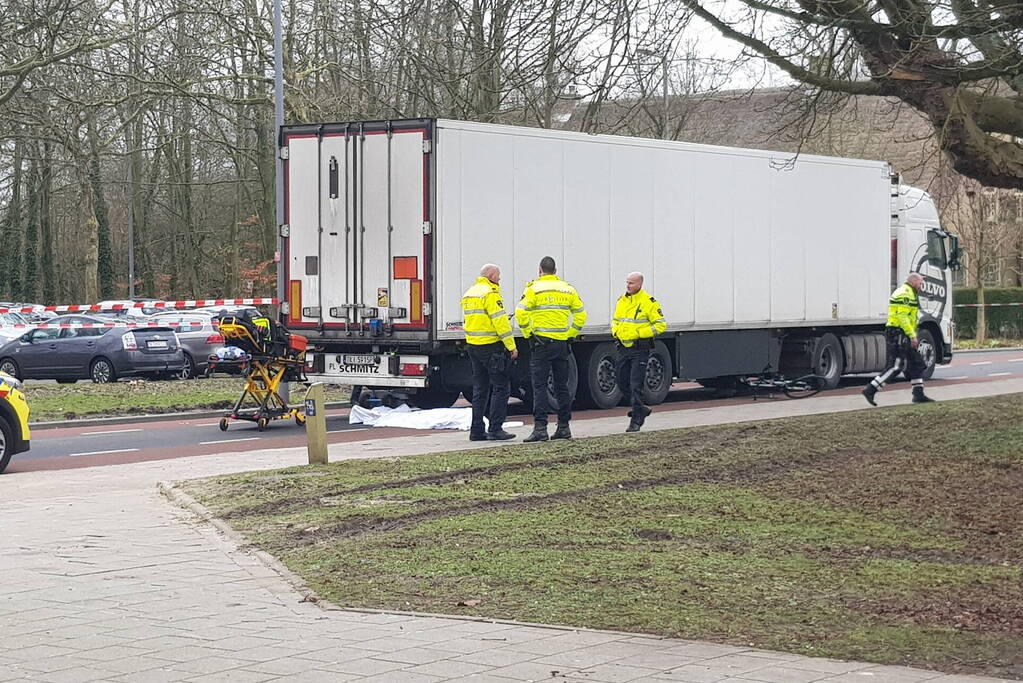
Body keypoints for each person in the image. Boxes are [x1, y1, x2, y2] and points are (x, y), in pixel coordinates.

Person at [516, 256, 587, 442]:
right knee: (561, 387)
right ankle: (564, 427)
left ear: (540, 270)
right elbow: (581, 315)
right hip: (561, 344)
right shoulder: (567, 289)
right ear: (555, 271)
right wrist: (570, 334)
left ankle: (541, 428)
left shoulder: (533, 289)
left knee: (539, 387)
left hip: (541, 344)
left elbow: (520, 312)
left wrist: (528, 334)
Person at [461, 264, 518, 441]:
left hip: (473, 346)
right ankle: (495, 428)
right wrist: (511, 346)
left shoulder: (470, 293)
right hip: (491, 346)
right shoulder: (491, 294)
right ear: (491, 275)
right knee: (501, 387)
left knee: (480, 388)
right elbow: (500, 323)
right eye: (498, 276)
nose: (499, 279)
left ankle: (476, 430)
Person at [862, 272, 935, 405]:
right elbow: (902, 317)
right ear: (913, 282)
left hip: (902, 333)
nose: (921, 286)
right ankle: (870, 389)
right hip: (898, 333)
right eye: (920, 283)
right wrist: (912, 335)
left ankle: (918, 394)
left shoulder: (909, 292)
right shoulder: (905, 294)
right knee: (896, 366)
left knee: (917, 363)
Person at [612, 271, 667, 432]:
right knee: (622, 382)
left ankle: (636, 420)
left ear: (640, 284)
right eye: (627, 282)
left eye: (631, 283)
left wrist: (639, 333)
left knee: (636, 384)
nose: (628, 285)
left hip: (640, 348)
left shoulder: (649, 302)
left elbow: (660, 325)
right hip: (623, 347)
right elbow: (616, 320)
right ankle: (641, 408)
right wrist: (615, 331)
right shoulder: (621, 301)